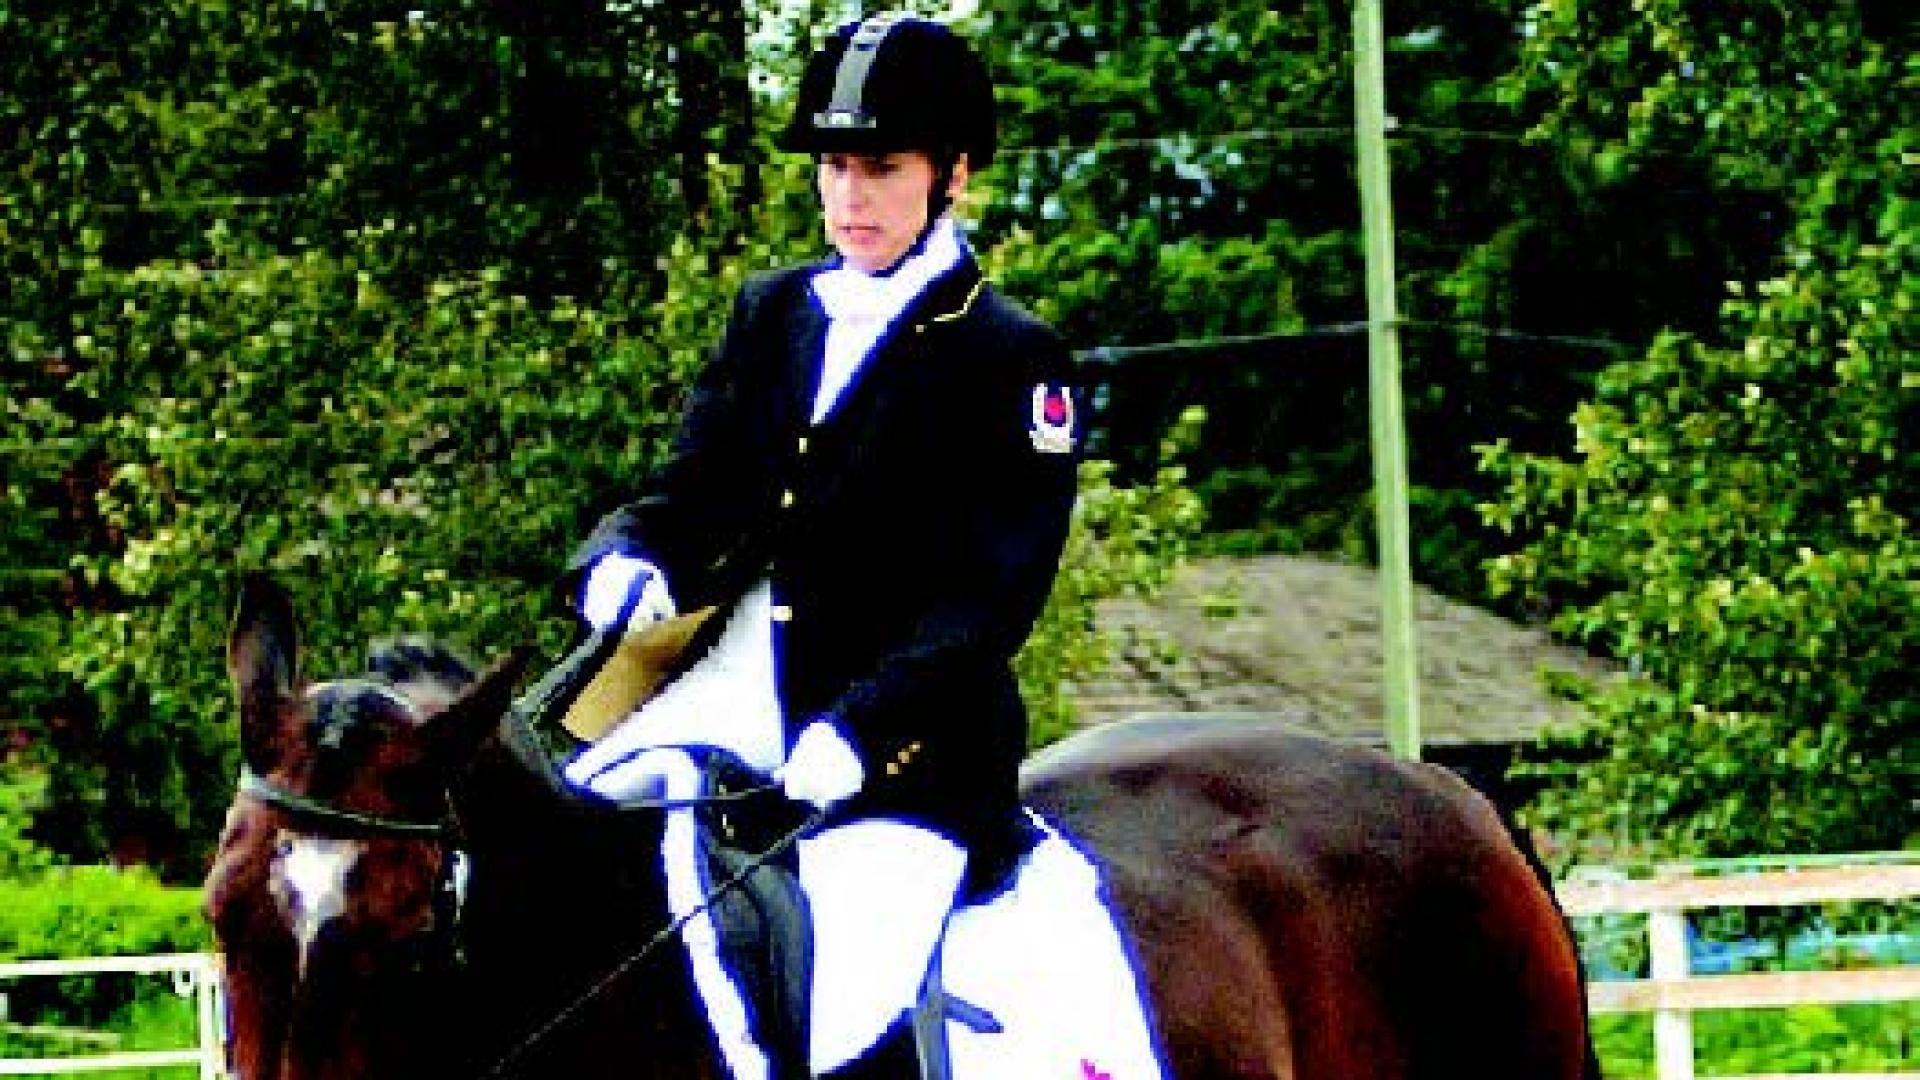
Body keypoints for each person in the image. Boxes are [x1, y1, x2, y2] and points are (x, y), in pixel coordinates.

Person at [558, 12, 1082, 1079]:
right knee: (541, 864)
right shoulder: (776, 313)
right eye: (834, 169)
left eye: (880, 170)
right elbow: (688, 494)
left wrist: (861, 726)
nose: (849, 199)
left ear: (953, 176)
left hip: (904, 756)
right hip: (724, 692)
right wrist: (628, 557)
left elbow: (991, 603)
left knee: (837, 1011)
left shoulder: (1010, 356)